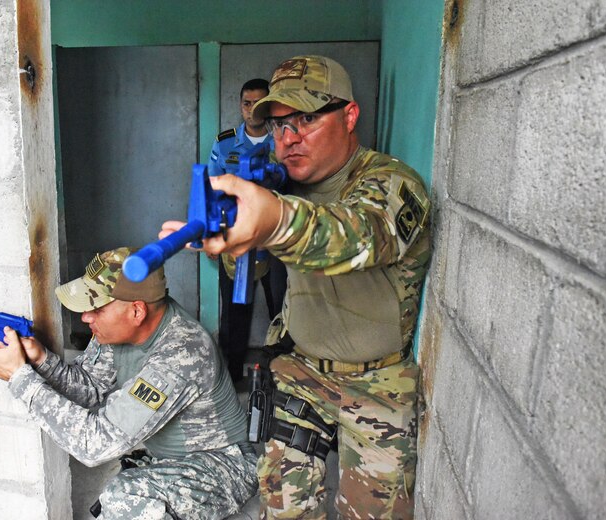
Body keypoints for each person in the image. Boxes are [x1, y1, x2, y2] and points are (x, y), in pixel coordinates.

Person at [159, 55, 431, 519]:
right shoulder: (285, 187)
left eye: (306, 118)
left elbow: (356, 238)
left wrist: (275, 220)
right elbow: (255, 268)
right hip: (300, 369)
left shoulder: (389, 182)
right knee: (282, 507)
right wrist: (222, 236)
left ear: (349, 116)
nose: (289, 137)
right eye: (280, 125)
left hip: (375, 383)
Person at [0, 247, 258, 520]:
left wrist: (20, 379)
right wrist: (41, 360)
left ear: (136, 312)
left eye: (96, 308)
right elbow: (90, 389)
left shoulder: (181, 354)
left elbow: (94, 444)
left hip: (223, 466)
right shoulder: (117, 334)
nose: (85, 317)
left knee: (124, 496)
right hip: (167, 458)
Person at [208, 78, 287, 383]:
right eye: (246, 103)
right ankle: (233, 375)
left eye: (259, 102)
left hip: (277, 240)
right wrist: (214, 234)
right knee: (235, 312)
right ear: (239, 106)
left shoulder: (284, 140)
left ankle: (281, 377)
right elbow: (213, 190)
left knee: (280, 308)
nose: (252, 110)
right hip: (237, 240)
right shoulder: (226, 143)